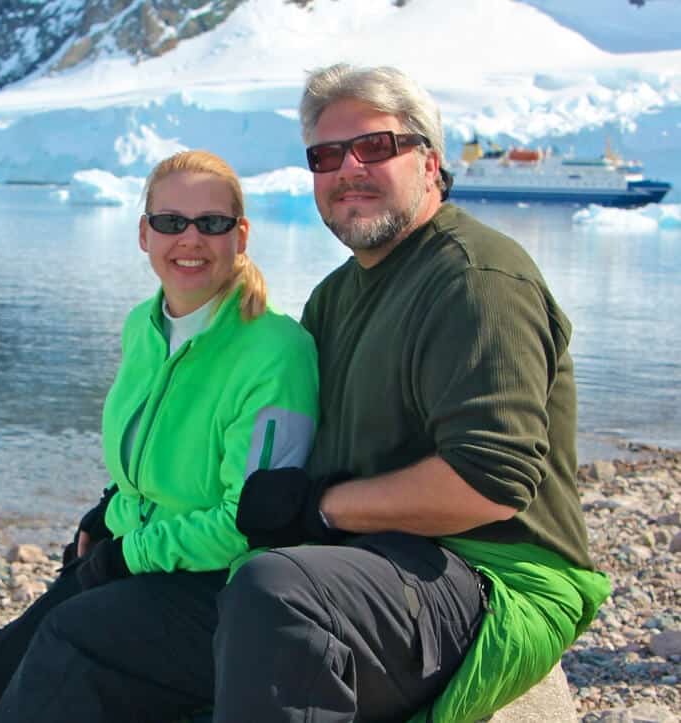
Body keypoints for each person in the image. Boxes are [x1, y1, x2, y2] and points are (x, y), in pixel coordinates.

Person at [216, 64, 612, 723]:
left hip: (495, 574)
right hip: (378, 564)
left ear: (428, 163)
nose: (348, 169)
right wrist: (126, 517)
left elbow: (487, 481)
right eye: (326, 155)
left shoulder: (475, 277)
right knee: (91, 631)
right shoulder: (335, 297)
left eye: (375, 146)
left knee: (277, 591)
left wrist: (322, 508)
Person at [0, 150, 320, 722]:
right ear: (144, 233)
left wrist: (124, 557)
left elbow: (252, 523)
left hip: (221, 587)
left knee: (66, 650)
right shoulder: (144, 325)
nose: (191, 239)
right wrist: (107, 513)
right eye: (170, 222)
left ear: (241, 235)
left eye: (212, 223)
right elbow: (146, 467)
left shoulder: (274, 352)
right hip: (144, 557)